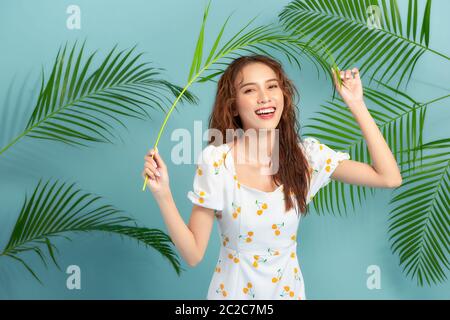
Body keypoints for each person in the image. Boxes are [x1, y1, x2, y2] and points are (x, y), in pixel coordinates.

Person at [142, 55, 402, 300]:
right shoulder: (216, 161)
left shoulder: (307, 158)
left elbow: (389, 177)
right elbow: (193, 254)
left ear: (284, 96)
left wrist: (356, 103)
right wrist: (163, 194)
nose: (264, 98)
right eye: (249, 90)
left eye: (272, 86)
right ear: (233, 106)